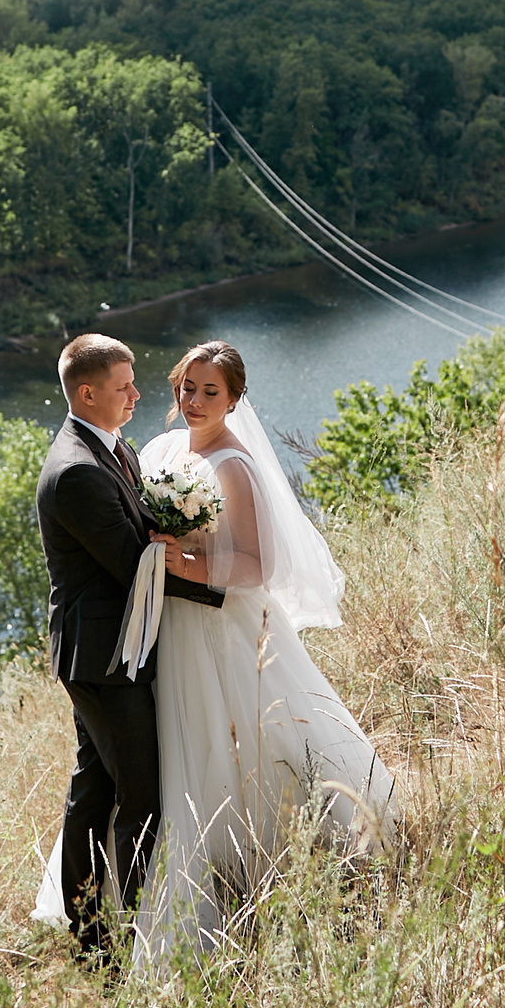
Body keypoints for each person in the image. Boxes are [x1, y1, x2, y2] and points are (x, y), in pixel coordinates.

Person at [35, 339, 398, 964]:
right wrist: (177, 565)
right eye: (186, 388)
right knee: (131, 784)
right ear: (90, 392)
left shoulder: (202, 460)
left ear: (234, 400)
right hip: (131, 642)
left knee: (188, 762)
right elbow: (132, 558)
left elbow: (251, 563)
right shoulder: (119, 457)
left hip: (194, 624)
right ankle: (104, 933)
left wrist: (194, 570)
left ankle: (207, 884)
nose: (180, 399)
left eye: (210, 392)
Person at [33, 333, 225, 964]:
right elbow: (131, 565)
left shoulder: (112, 447)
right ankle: (128, 939)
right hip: (105, 659)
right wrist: (222, 591)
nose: (138, 395)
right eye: (124, 386)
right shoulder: (76, 473)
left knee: (94, 789)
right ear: (87, 394)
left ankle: (89, 936)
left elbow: (143, 535)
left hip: (112, 650)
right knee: (138, 797)